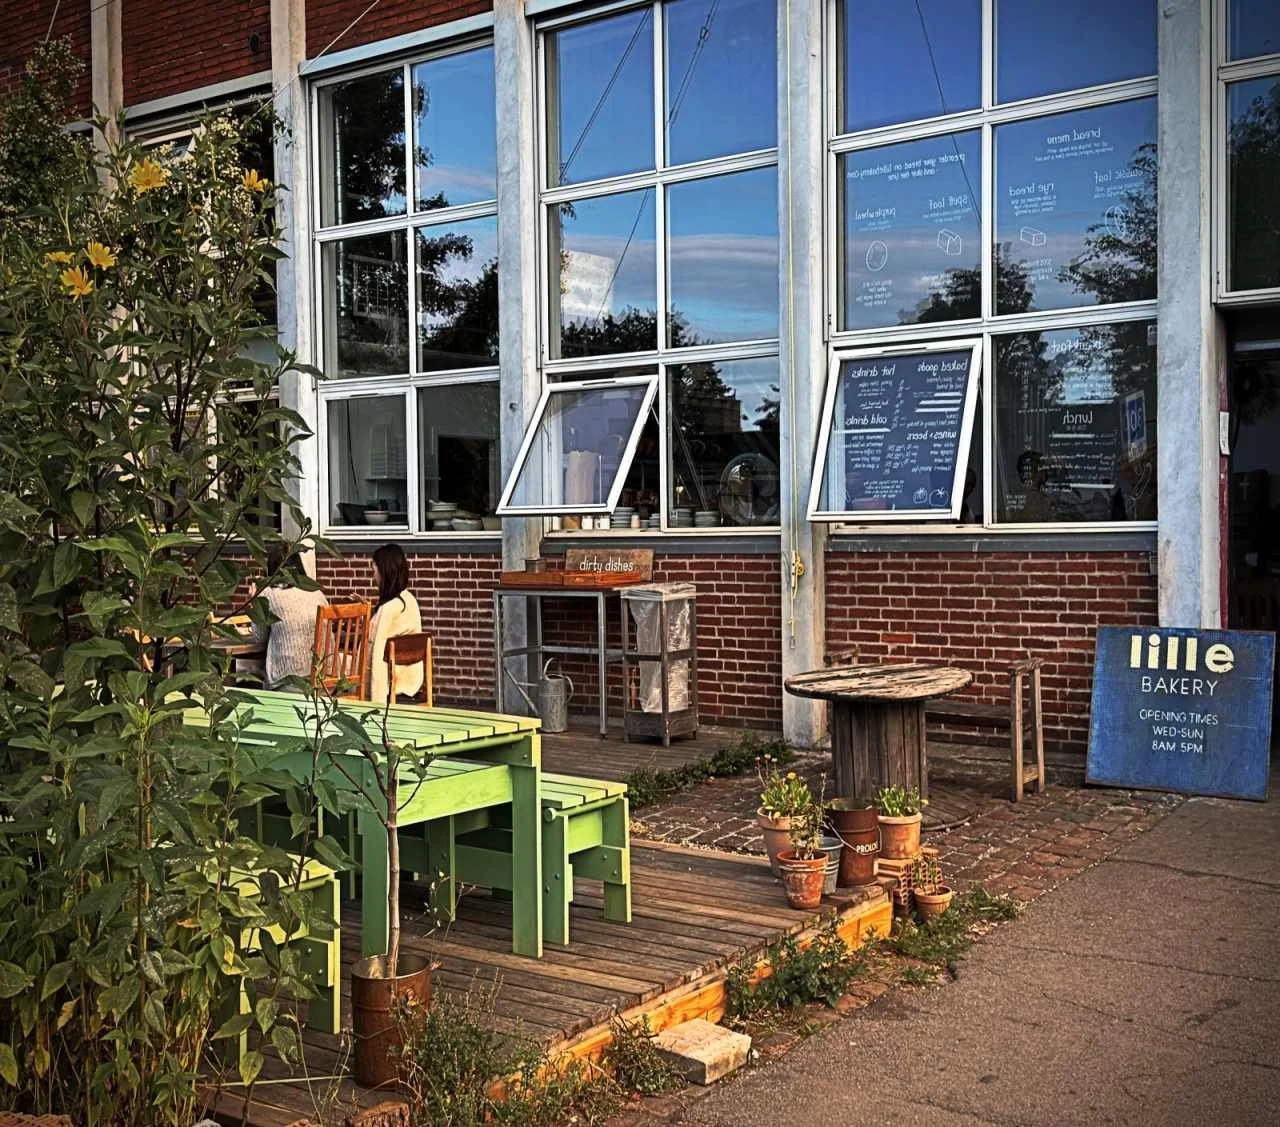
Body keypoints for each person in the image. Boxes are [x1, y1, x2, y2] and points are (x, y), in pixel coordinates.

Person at [249, 543, 329, 690]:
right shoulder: (316, 592)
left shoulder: (268, 595)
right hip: (324, 679)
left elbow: (259, 637)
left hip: (288, 681)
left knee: (249, 681)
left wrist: (254, 603)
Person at [368, 542, 424, 704]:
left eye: (375, 570)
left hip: (389, 684)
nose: (374, 577)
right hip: (411, 680)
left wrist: (375, 702)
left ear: (384, 572)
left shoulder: (388, 609)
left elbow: (377, 656)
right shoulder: (409, 600)